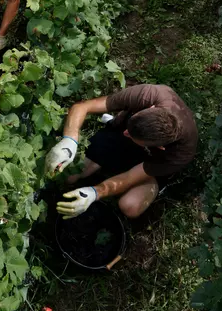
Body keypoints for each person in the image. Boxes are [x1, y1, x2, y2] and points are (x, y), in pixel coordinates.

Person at [45, 84, 198, 220]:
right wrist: (70, 140)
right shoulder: (148, 95)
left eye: (130, 135)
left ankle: (155, 182)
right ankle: (115, 138)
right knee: (70, 175)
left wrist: (94, 192)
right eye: (129, 128)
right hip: (123, 138)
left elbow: (129, 178)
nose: (126, 133)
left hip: (151, 161)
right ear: (150, 108)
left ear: (160, 147)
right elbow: (83, 107)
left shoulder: (178, 154)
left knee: (130, 206)